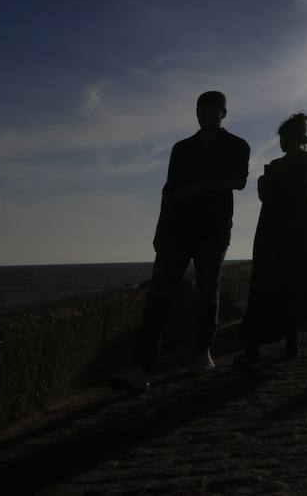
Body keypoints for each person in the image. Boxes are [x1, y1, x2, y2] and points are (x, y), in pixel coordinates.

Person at [110, 91, 250, 392]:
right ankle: (141, 365)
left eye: (211, 111)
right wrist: (160, 228)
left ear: (223, 113)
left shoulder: (237, 146)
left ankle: (202, 351)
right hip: (177, 229)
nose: (205, 116)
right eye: (201, 111)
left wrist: (198, 188)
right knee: (159, 293)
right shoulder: (182, 148)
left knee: (207, 290)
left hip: (213, 228)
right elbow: (169, 189)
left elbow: (238, 181)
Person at [236, 114, 307, 373]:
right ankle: (256, 348)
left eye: (284, 138)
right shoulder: (275, 166)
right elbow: (265, 197)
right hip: (275, 232)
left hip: (297, 233)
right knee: (268, 288)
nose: (281, 143)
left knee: (292, 286)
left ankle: (290, 341)